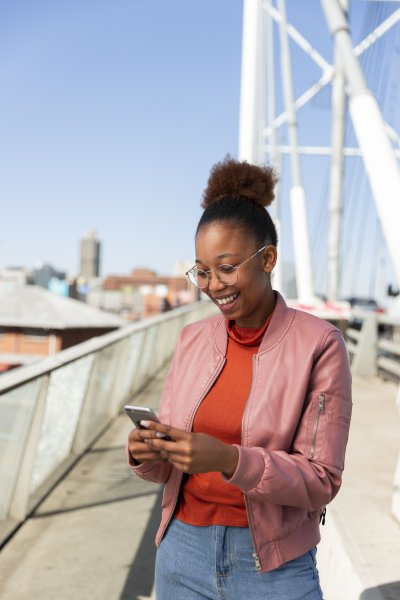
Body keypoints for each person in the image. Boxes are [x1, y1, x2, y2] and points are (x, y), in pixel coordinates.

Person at [127, 156, 352, 599]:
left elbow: (322, 480)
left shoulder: (320, 345)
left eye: (227, 268)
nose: (213, 285)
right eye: (203, 271)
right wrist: (145, 452)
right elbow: (167, 468)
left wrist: (230, 460)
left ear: (267, 258)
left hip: (272, 565)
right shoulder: (192, 338)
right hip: (181, 552)